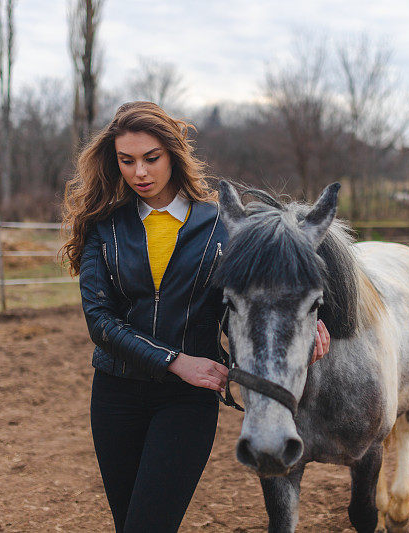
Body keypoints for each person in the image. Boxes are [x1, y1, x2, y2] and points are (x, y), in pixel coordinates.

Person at [60, 101, 330, 532]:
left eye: (151, 158)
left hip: (186, 402)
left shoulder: (224, 225)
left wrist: (307, 328)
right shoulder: (103, 226)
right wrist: (174, 360)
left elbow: (257, 301)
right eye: (126, 161)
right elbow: (101, 321)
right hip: (115, 397)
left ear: (173, 153)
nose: (140, 173)